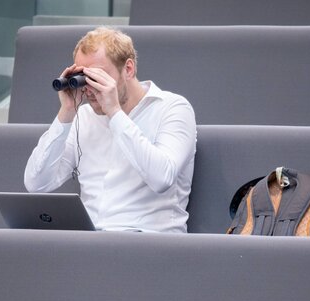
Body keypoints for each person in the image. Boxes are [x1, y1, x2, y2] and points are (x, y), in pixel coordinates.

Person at [24, 27, 197, 233]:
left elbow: (162, 178)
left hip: (150, 242)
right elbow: (37, 184)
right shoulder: (83, 117)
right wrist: (67, 111)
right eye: (82, 76)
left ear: (129, 69)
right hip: (89, 244)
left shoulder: (173, 108)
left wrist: (114, 113)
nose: (89, 86)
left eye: (98, 76)